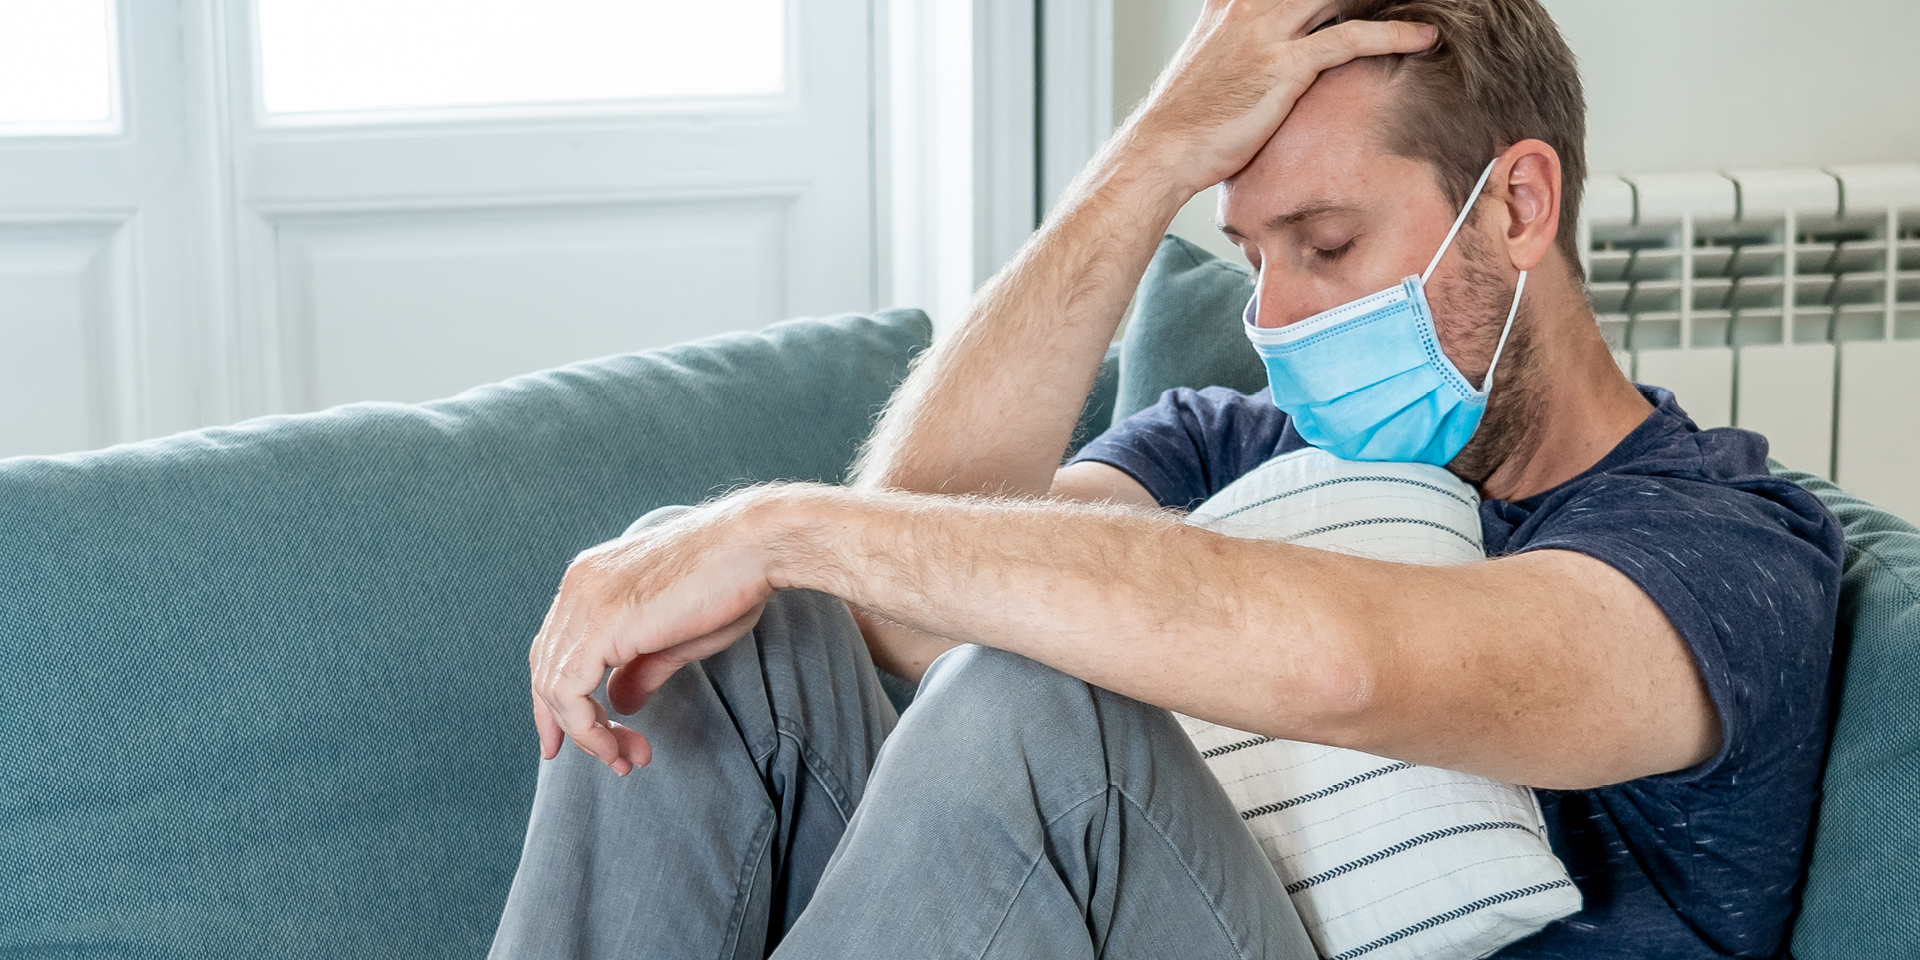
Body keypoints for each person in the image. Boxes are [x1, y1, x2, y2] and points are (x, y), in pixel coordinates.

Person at [493, 0, 1844, 957]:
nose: (1285, 316)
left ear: (1517, 206)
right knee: (740, 641)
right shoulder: (1234, 445)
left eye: (1326, 242)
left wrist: (782, 520)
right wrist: (1154, 154)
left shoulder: (1723, 551)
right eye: (1254, 256)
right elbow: (897, 607)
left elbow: (1347, 665)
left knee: (1044, 712)